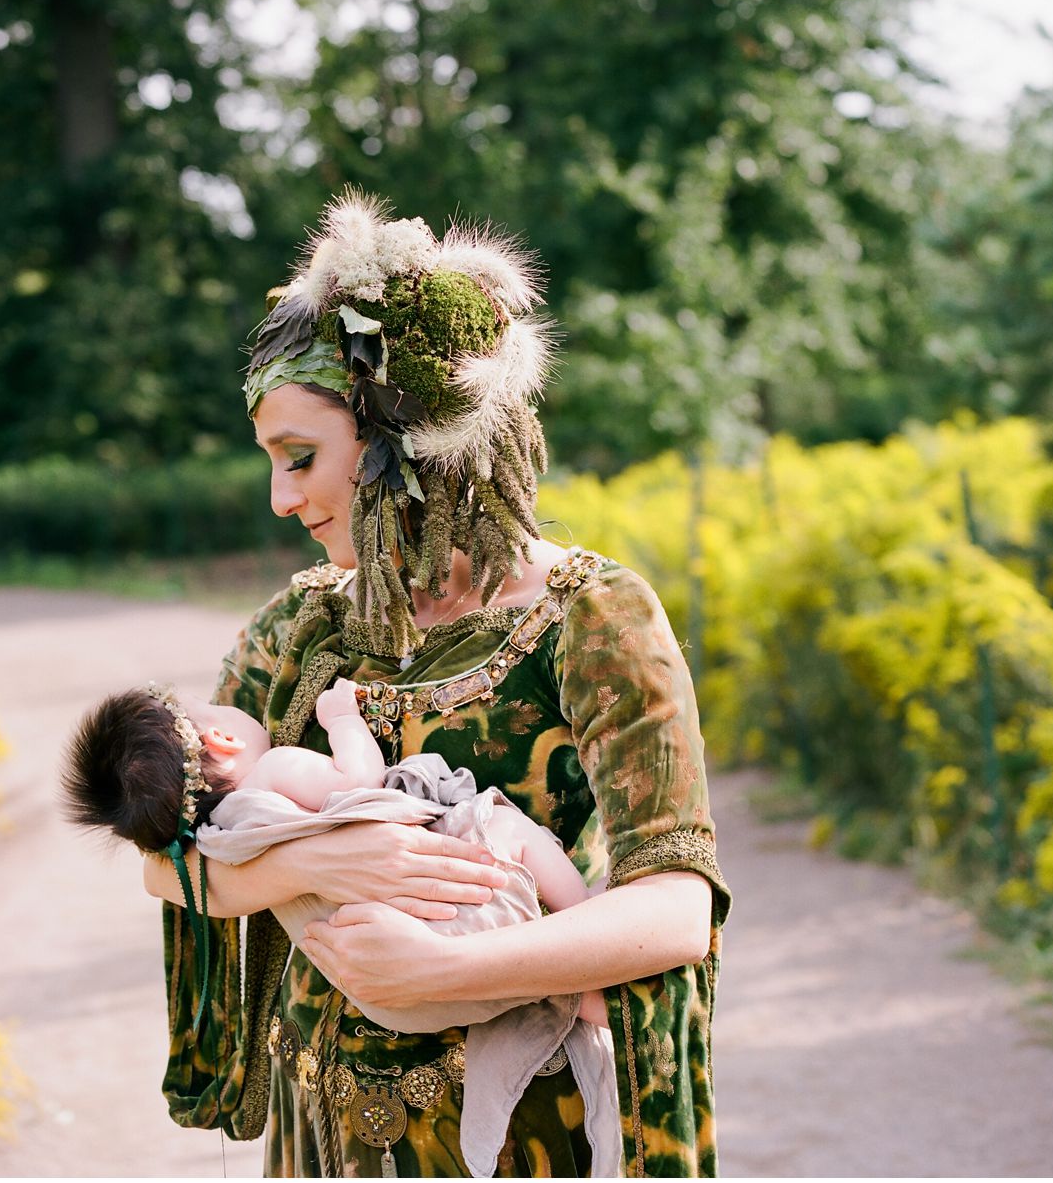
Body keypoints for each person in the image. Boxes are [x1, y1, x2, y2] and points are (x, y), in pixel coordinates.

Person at [141, 192, 730, 1178]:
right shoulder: (296, 631)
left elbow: (674, 910)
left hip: (515, 1141)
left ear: (402, 441)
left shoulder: (589, 618)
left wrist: (447, 970)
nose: (281, 498)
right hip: (318, 1138)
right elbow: (168, 853)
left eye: (300, 458)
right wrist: (313, 866)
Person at [64, 677, 617, 1176]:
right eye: (215, 705)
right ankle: (583, 919)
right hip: (441, 913)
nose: (227, 703)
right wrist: (342, 720)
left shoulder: (218, 837)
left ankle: (574, 988)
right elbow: (362, 776)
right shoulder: (274, 771)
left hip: (386, 989)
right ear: (220, 739)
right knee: (509, 826)